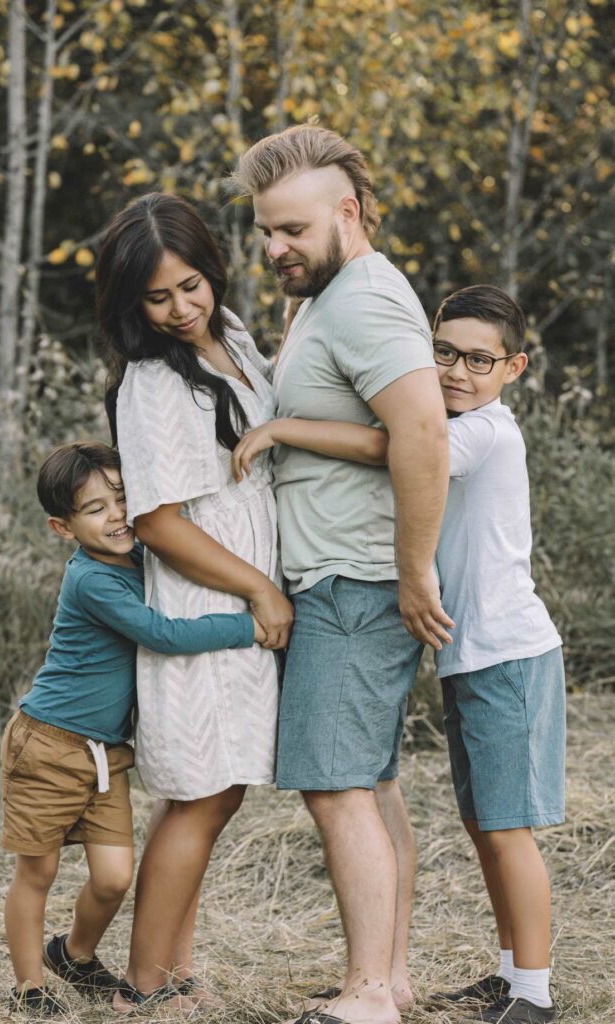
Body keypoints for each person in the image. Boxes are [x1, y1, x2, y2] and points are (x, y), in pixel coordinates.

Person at [97, 193, 390, 1013]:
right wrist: (260, 589)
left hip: (250, 589)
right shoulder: (152, 380)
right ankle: (144, 986)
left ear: (212, 271)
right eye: (157, 298)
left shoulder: (228, 334)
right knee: (204, 793)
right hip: (209, 595)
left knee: (210, 791)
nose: (180, 309)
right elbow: (156, 520)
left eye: (190, 285)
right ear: (131, 303)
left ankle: (173, 969)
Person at [229, 125, 453, 1024]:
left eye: (292, 229)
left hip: (353, 581)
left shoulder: (363, 300)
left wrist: (412, 571)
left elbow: (423, 433)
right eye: (265, 232)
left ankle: (366, 995)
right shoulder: (327, 299)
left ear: (346, 213)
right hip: (342, 578)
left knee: (334, 785)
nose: (275, 248)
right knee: (368, 780)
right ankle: (386, 978)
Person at [1, 441, 263, 1018]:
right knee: (39, 871)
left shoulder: (142, 553)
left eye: (122, 498)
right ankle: (28, 987)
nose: (117, 515)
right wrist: (250, 626)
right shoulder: (92, 581)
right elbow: (161, 634)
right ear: (62, 527)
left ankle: (72, 953)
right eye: (95, 508)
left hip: (104, 753)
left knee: (114, 878)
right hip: (48, 744)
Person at [429, 286, 564, 1024]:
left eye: (478, 359)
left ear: (513, 367)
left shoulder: (484, 430)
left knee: (508, 829)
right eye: (443, 352)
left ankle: (534, 997)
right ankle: (512, 973)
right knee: (485, 827)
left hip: (508, 655)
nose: (457, 371)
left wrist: (287, 428)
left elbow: (400, 449)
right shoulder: (463, 424)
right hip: (471, 656)